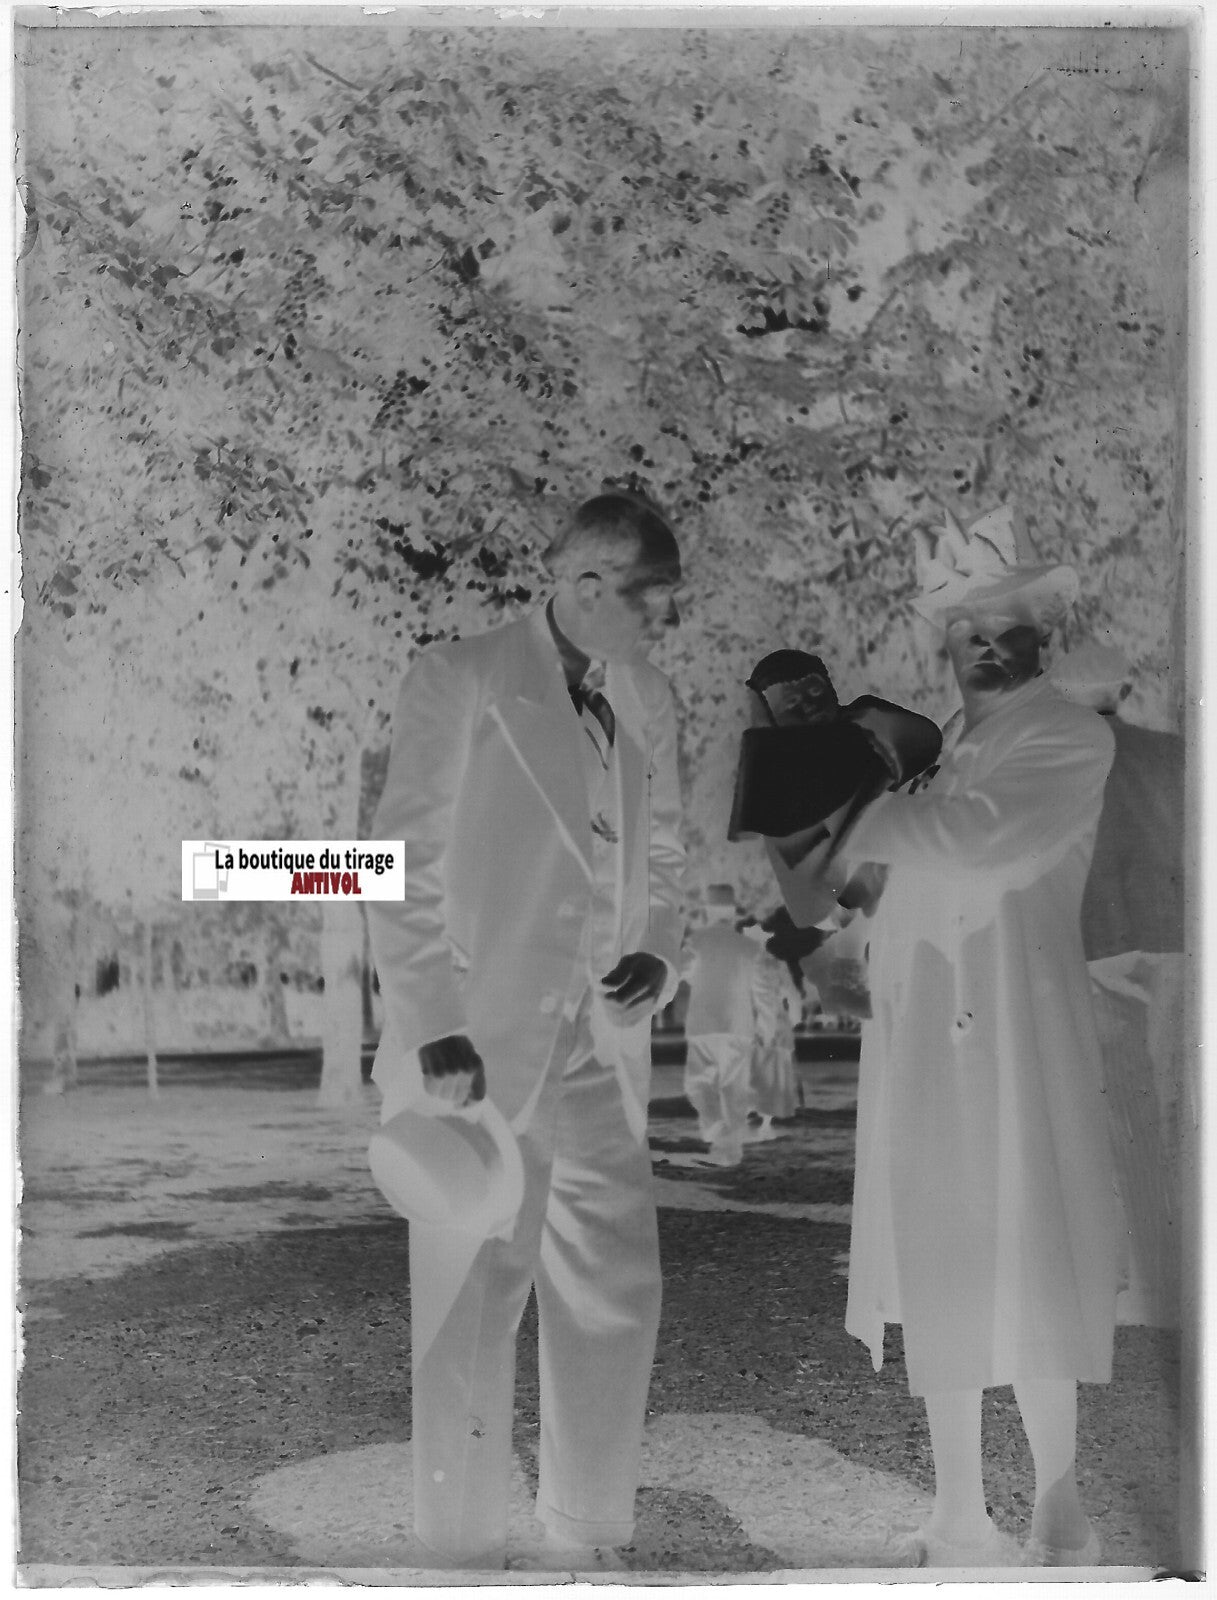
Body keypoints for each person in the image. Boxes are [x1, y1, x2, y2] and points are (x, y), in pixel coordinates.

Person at [367, 490, 686, 1571]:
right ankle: (456, 1549)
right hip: (477, 1050)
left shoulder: (647, 696)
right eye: (652, 597)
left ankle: (583, 1532)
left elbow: (671, 863)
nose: (663, 620)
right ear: (585, 583)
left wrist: (663, 949)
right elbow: (397, 870)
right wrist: (431, 1026)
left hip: (600, 1045)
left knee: (614, 1288)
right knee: (469, 1301)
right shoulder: (458, 679)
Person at [821, 505, 1120, 1568]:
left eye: (1003, 623)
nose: (983, 643)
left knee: (1028, 1250)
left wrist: (845, 806)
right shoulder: (942, 745)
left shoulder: (1067, 735)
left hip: (1011, 1027)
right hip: (922, 1025)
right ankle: (956, 1504)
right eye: (961, 629)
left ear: (1042, 629)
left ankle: (1057, 1498)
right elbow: (890, 876)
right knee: (937, 1254)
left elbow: (985, 843)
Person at [1050, 641, 1187, 1328]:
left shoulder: (1057, 762)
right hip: (1177, 949)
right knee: (1174, 1113)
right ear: (1125, 689)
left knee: (1120, 1121)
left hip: (1096, 948)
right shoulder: (1175, 754)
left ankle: (1143, 1286)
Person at [680, 884, 779, 1166]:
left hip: (702, 1024)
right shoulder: (750, 947)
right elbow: (763, 991)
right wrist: (768, 1025)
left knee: (698, 1084)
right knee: (734, 1089)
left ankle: (715, 1126)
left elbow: (680, 970)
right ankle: (730, 1149)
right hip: (739, 1025)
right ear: (732, 914)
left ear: (709, 912)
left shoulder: (696, 941)